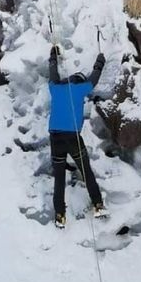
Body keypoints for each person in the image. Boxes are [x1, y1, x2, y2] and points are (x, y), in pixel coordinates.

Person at [47, 45, 108, 229]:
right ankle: (97, 205)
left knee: (58, 178)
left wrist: (53, 57)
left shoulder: (55, 88)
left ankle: (60, 215)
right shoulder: (79, 89)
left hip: (55, 137)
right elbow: (94, 80)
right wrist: (100, 62)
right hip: (72, 137)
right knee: (85, 170)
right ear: (77, 82)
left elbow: (53, 74)